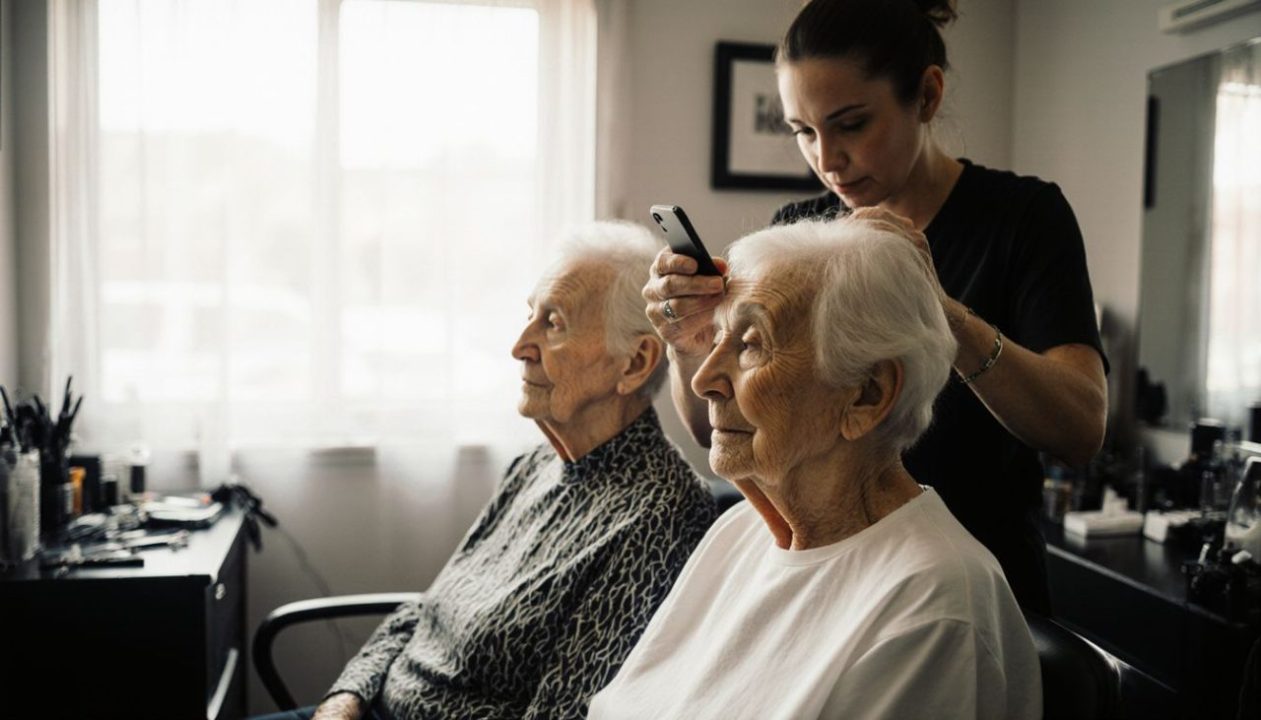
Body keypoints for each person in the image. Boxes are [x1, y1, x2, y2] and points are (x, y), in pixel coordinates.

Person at [643, 0, 1107, 613]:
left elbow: (1081, 429)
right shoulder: (802, 233)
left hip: (968, 587)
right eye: (804, 132)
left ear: (927, 95)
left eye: (852, 124)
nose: (827, 159)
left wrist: (939, 312)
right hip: (828, 578)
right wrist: (689, 342)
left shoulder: (1022, 219)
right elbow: (717, 432)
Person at [591, 216, 1041, 720]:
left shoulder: (932, 609)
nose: (705, 381)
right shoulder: (739, 533)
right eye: (714, 337)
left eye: (751, 343)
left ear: (867, 395)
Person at [262, 222, 716, 720]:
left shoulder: (659, 514)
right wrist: (343, 701)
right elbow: (425, 611)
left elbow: (560, 713)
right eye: (530, 316)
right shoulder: (536, 465)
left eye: (555, 323)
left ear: (633, 363)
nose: (520, 345)